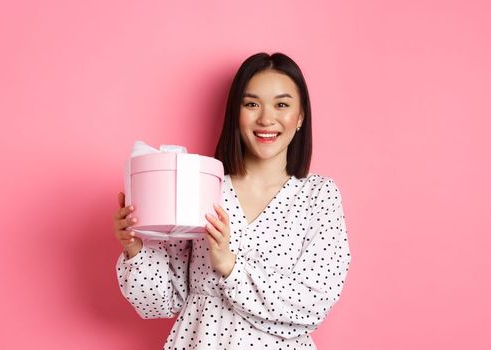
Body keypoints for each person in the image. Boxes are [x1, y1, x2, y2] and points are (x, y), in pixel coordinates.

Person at [113, 52, 351, 349]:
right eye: (251, 104)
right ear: (235, 114)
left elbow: (313, 302)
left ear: (300, 116)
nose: (266, 118)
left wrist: (229, 265)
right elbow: (161, 304)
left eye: (282, 105)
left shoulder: (320, 195)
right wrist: (136, 248)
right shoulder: (200, 183)